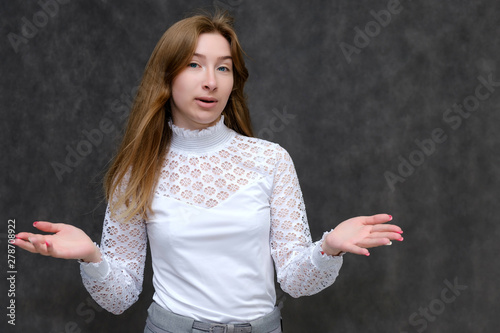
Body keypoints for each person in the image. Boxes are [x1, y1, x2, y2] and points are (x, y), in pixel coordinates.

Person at [12, 10, 404, 333]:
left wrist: (328, 247)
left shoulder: (270, 159)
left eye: (224, 68)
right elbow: (120, 298)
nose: (210, 81)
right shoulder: (137, 172)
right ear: (167, 77)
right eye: (194, 65)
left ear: (234, 82)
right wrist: (92, 257)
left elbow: (295, 281)